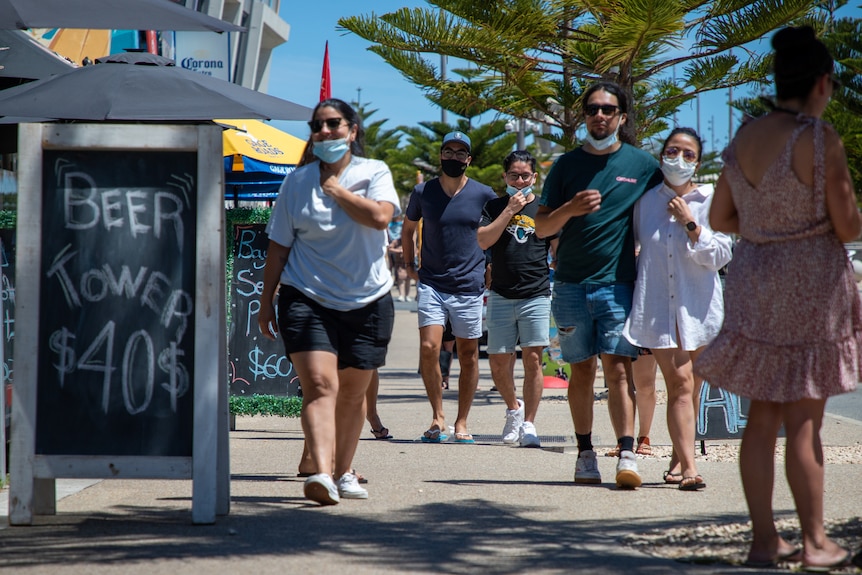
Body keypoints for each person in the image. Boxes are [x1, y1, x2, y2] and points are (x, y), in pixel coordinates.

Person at [695, 26, 860, 570]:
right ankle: (816, 541)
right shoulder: (819, 138)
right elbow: (847, 224)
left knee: (761, 417)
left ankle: (764, 541)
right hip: (810, 284)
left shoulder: (744, 136)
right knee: (806, 420)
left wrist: (765, 224)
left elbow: (720, 218)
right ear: (820, 82)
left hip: (755, 278)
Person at [258, 98, 399, 505]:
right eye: (317, 126)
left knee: (353, 394)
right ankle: (320, 473)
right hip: (306, 296)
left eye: (333, 124)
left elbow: (380, 218)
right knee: (321, 385)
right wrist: (266, 301)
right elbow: (278, 249)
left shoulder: (374, 172)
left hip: (368, 298)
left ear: (352, 131)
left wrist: (337, 190)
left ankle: (343, 472)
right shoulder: (296, 183)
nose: (324, 132)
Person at [535, 81, 662, 488]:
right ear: (584, 116)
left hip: (617, 285)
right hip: (570, 285)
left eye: (608, 109)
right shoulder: (565, 166)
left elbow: (668, 209)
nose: (600, 115)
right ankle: (585, 453)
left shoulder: (642, 165)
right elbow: (540, 228)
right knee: (581, 374)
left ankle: (627, 455)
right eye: (592, 109)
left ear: (622, 118)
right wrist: (569, 208)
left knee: (619, 371)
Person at [622, 127, 734, 491]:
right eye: (673, 151)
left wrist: (690, 223)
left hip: (699, 311)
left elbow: (720, 255)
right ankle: (690, 469)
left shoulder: (711, 198)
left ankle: (675, 459)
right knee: (681, 384)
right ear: (661, 156)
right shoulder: (645, 201)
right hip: (656, 311)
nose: (679, 159)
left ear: (698, 162)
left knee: (692, 389)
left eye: (688, 154)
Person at [401, 131, 496, 443]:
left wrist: (490, 266)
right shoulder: (422, 191)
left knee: (468, 353)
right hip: (432, 282)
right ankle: (437, 417)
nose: (454, 157)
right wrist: (409, 264)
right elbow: (409, 228)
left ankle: (462, 421)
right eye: (448, 151)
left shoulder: (484, 194)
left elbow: (496, 232)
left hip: (469, 285)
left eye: (460, 153)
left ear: (468, 159)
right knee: (429, 347)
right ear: (440, 155)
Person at [478, 150, 552, 448]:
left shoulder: (545, 209)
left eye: (525, 176)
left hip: (536, 292)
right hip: (501, 293)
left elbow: (557, 246)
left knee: (533, 359)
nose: (519, 181)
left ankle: (530, 424)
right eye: (513, 176)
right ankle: (514, 409)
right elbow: (483, 240)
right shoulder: (494, 206)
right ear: (504, 177)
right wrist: (509, 210)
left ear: (534, 177)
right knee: (498, 360)